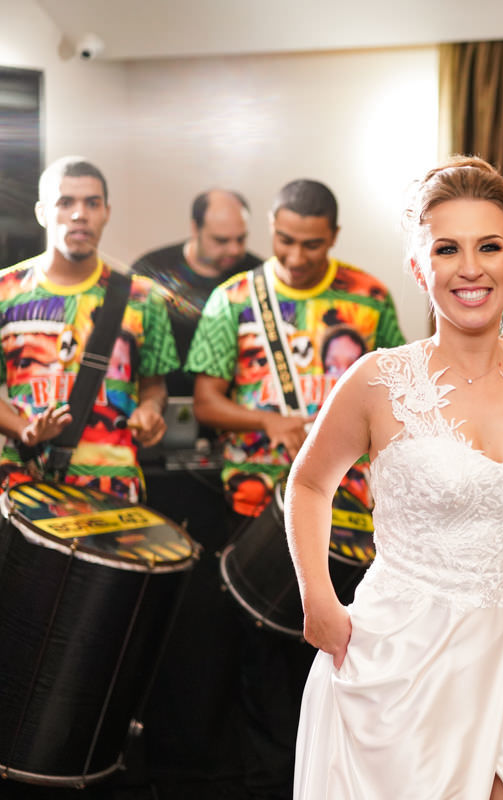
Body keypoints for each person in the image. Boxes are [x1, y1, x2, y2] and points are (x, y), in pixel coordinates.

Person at [286, 156, 503, 799]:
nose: (470, 268)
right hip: (406, 656)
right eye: (447, 249)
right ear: (421, 265)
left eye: (489, 247)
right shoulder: (377, 380)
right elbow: (309, 484)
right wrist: (318, 600)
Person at [187, 178, 404, 799]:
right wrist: (267, 422)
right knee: (267, 665)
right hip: (258, 509)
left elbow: (395, 392)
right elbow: (205, 401)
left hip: (356, 516)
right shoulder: (234, 299)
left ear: (333, 236)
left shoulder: (369, 298)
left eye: (311, 244)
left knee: (353, 659)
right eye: (284, 240)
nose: (295, 255)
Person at [0, 156, 175, 501]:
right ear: (42, 212)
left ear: (106, 212)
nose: (80, 214)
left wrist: (150, 411)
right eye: (65, 203)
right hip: (24, 484)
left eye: (92, 203)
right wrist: (26, 429)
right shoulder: (6, 292)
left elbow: (155, 387)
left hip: (114, 488)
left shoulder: (143, 298)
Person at [132, 188, 263, 396]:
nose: (235, 249)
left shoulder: (257, 276)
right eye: (221, 240)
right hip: (159, 403)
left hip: (233, 410)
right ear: (195, 228)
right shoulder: (152, 271)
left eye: (241, 239)